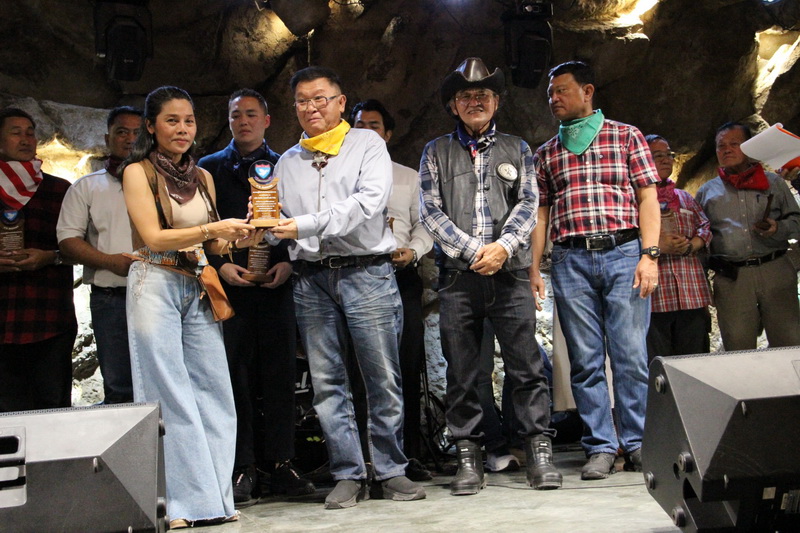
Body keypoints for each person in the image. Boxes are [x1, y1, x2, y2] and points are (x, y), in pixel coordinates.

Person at [268, 66, 425, 509]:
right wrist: (259, 224)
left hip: (366, 272)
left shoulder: (367, 144)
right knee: (326, 383)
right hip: (311, 278)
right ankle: (348, 472)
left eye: (320, 98)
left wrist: (302, 225)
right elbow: (278, 219)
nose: (311, 107)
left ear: (340, 102)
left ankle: (390, 469)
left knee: (382, 377)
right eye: (302, 101)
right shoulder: (287, 160)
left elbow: (367, 203)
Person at [419, 57, 561, 495]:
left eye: (483, 94)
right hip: (459, 280)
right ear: (453, 105)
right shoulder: (435, 151)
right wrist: (472, 251)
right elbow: (430, 211)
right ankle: (469, 456)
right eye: (465, 96)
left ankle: (538, 451)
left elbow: (529, 203)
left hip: (511, 274)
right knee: (462, 372)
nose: (475, 101)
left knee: (526, 367)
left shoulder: (518, 148)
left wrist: (503, 247)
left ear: (497, 101)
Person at [121, 86, 262, 528]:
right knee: (168, 392)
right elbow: (154, 237)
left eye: (189, 121)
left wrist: (243, 234)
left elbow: (215, 244)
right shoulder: (138, 172)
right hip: (156, 280)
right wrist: (212, 230)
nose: (182, 129)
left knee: (215, 391)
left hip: (197, 282)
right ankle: (178, 504)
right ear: (151, 126)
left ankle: (214, 499)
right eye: (172, 120)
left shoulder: (202, 176)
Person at [530, 61, 661, 480]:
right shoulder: (547, 153)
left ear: (587, 91)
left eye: (562, 91)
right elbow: (541, 215)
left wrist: (650, 255)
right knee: (585, 361)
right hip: (571, 259)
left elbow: (648, 198)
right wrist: (534, 268)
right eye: (550, 93)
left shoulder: (626, 136)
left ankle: (637, 442)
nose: (554, 99)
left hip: (623, 253)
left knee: (630, 356)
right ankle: (601, 446)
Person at [198, 88, 314, 505]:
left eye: (251, 114)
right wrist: (220, 266)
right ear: (228, 121)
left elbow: (300, 222)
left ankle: (283, 463)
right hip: (230, 290)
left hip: (277, 286)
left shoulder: (287, 164)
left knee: (281, 376)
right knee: (234, 379)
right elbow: (201, 228)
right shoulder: (208, 168)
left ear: (267, 120)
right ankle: (241, 466)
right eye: (235, 115)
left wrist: (289, 264)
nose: (243, 122)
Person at [350, 98, 434, 481]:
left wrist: (412, 251)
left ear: (387, 134)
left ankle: (408, 455)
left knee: (406, 366)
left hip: (401, 277)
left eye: (374, 125)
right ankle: (365, 459)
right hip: (359, 278)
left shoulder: (408, 177)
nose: (366, 131)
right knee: (361, 371)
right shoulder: (342, 178)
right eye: (359, 125)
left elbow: (425, 225)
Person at [57, 106, 143, 404]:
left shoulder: (165, 182)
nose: (130, 139)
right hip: (111, 298)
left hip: (161, 296)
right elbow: (68, 241)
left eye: (137, 133)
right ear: (107, 138)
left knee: (162, 382)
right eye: (122, 132)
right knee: (119, 386)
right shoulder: (87, 187)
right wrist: (110, 262)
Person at [696, 122, 800, 351]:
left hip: (775, 269)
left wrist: (777, 228)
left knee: (789, 344)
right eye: (721, 146)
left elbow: (796, 222)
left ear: (749, 147)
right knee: (738, 347)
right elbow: (701, 240)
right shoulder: (706, 192)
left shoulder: (774, 183)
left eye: (734, 144)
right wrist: (703, 283)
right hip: (732, 278)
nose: (727, 150)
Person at [0, 107, 76, 412]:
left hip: (49, 317)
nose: (25, 139)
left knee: (52, 409)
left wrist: (50, 258)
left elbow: (82, 248)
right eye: (15, 132)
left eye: (30, 132)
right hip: (3, 318)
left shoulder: (60, 190)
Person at [644, 134, 712, 361]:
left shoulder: (685, 198)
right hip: (655, 298)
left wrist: (692, 245)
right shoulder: (634, 201)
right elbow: (626, 241)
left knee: (695, 363)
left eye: (668, 155)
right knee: (659, 365)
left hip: (691, 294)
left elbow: (705, 227)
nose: (665, 160)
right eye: (657, 156)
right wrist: (658, 246)